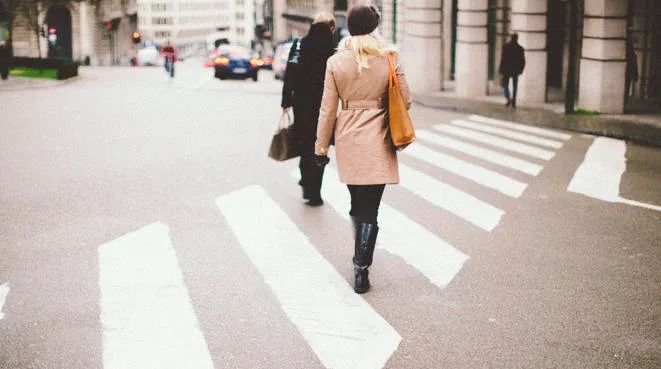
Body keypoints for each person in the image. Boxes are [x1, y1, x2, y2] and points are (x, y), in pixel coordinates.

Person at [314, 4, 410, 294]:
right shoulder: (389, 58)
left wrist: (321, 148)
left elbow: (327, 109)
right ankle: (361, 267)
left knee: (357, 204)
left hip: (348, 139)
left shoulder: (336, 62)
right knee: (372, 208)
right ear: (373, 27)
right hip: (379, 138)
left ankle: (360, 254)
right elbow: (405, 98)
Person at [281, 12, 337, 206]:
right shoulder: (333, 49)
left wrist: (285, 101)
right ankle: (315, 192)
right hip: (324, 106)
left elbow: (290, 73)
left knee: (306, 145)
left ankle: (307, 183)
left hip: (302, 104)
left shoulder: (299, 45)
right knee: (320, 148)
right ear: (331, 27)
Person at [498, 33, 525, 108]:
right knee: (515, 86)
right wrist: (521, 70)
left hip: (506, 70)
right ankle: (514, 101)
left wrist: (501, 69)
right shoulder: (520, 49)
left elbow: (503, 59)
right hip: (515, 70)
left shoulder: (506, 47)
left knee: (505, 85)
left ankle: (508, 97)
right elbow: (522, 61)